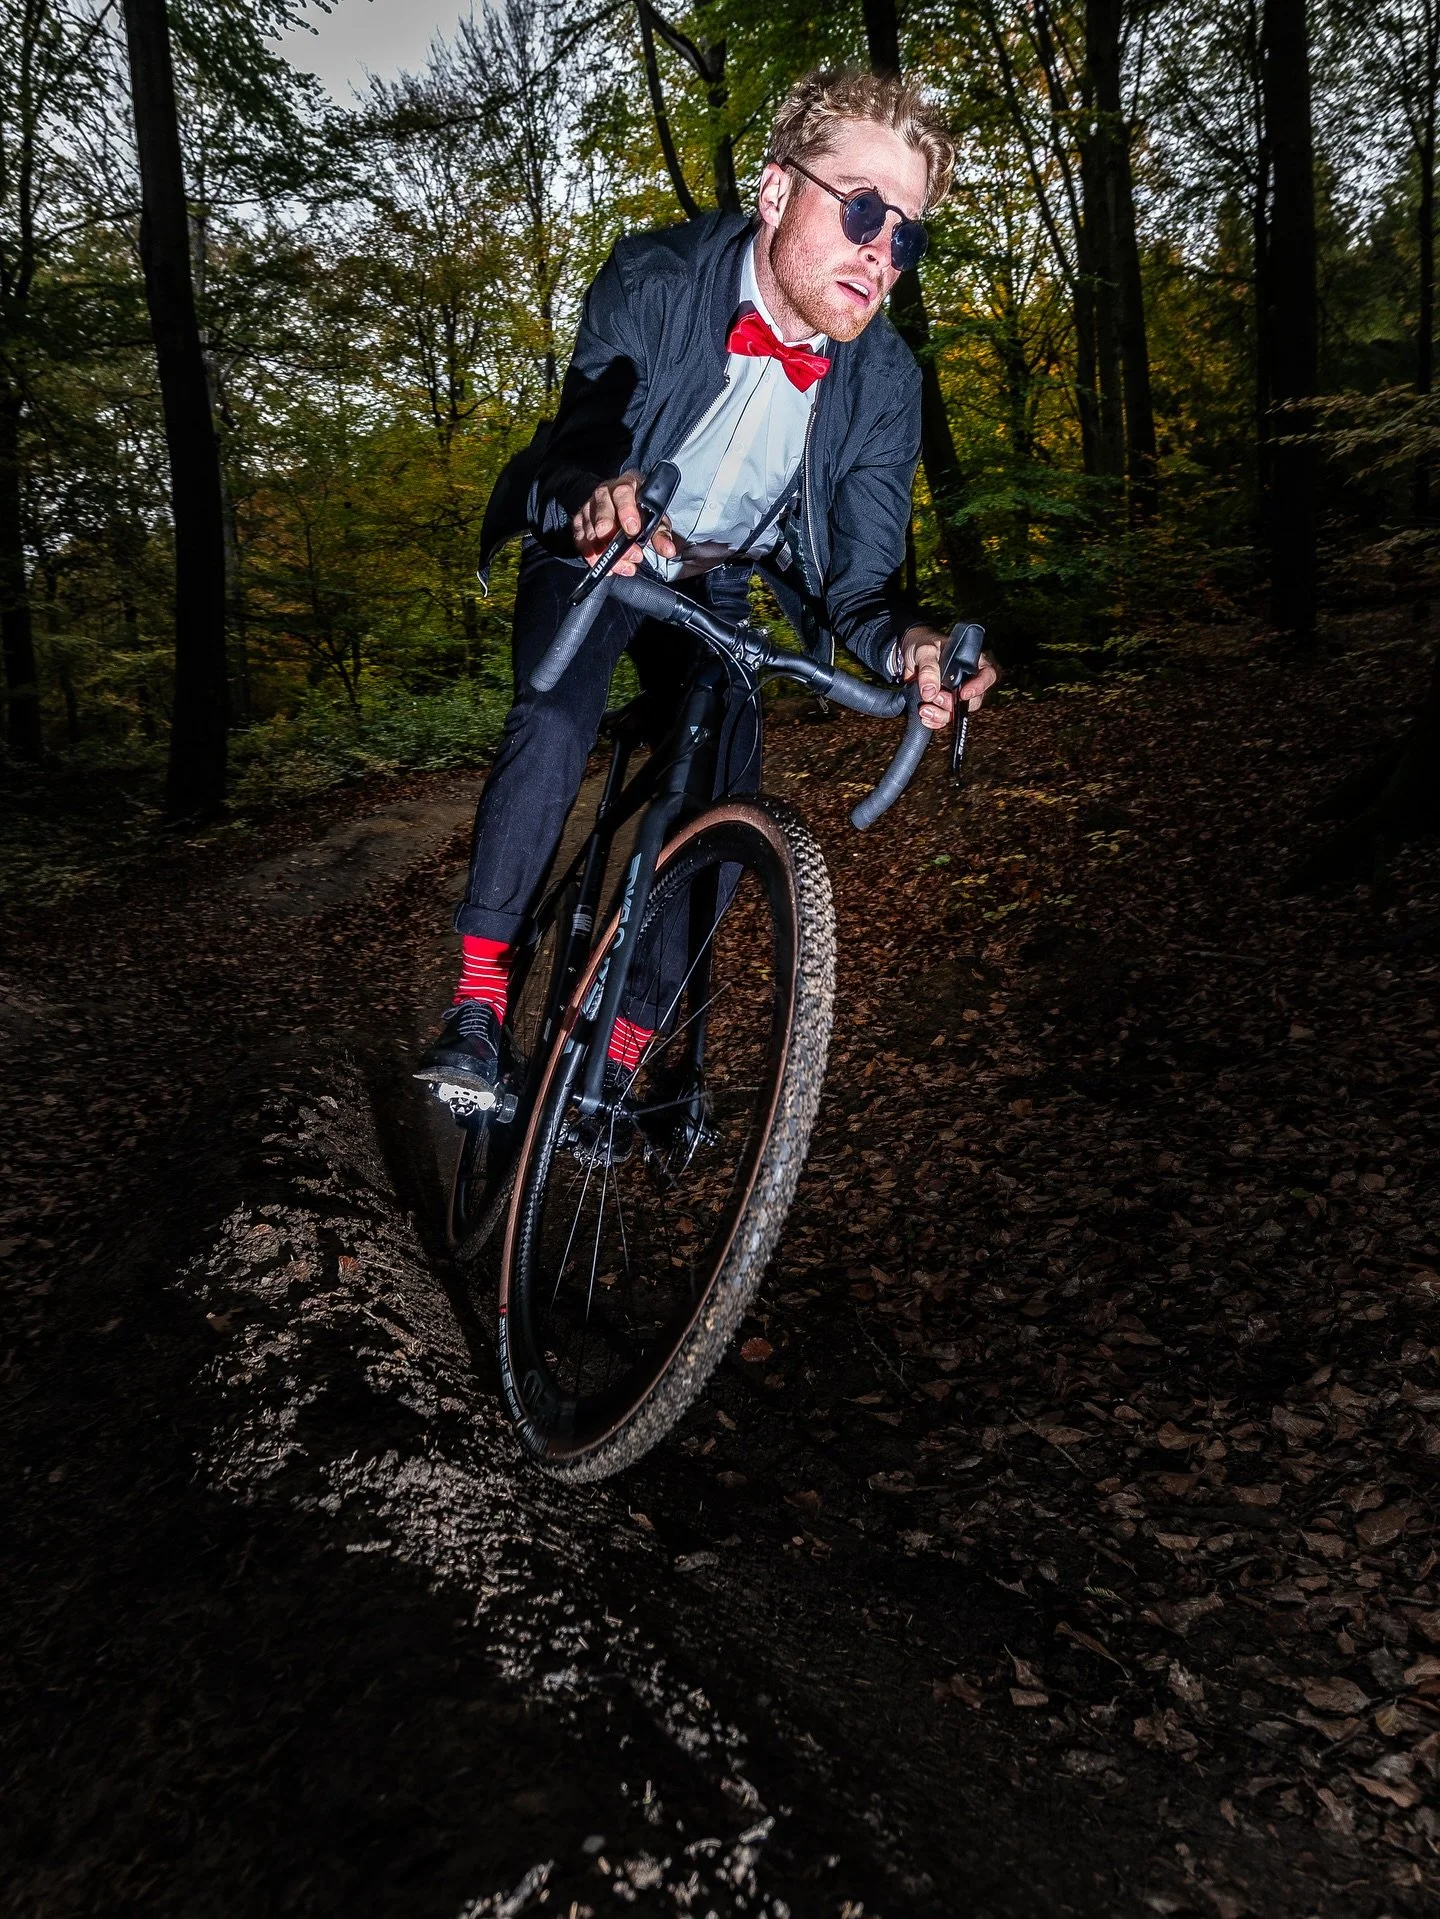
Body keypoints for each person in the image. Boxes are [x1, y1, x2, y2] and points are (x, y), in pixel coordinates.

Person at [416, 65, 998, 1102]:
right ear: (778, 193)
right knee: (554, 715)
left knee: (728, 785)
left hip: (717, 582)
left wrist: (909, 642)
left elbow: (859, 588)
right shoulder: (655, 278)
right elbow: (581, 440)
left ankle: (623, 1050)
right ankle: (477, 1004)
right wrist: (603, 494)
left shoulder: (887, 384)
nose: (882, 249)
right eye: (863, 208)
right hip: (599, 543)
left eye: (904, 232)